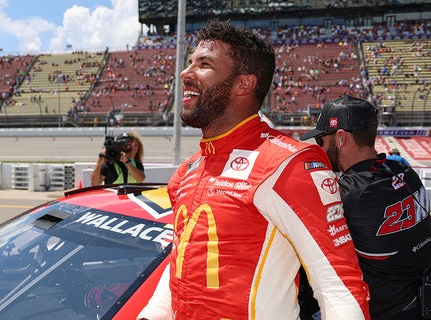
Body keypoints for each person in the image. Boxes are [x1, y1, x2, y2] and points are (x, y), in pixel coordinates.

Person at [138, 20, 369, 320]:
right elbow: (180, 264)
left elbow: (338, 287)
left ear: (244, 84)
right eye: (189, 62)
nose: (185, 73)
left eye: (204, 64)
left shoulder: (289, 164)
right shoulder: (186, 172)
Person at [299, 95, 431, 320]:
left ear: (340, 138)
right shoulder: (407, 175)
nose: (319, 147)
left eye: (321, 139)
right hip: (416, 302)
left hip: (378, 311)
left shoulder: (345, 193)